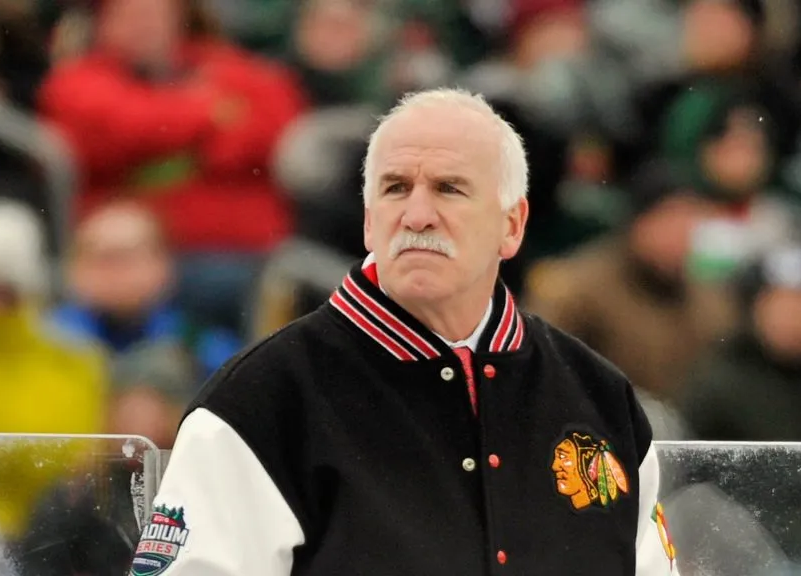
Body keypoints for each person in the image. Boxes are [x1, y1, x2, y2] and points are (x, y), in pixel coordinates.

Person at [131, 88, 679, 575]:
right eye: (396, 188)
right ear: (370, 221)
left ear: (511, 225)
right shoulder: (259, 403)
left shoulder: (600, 399)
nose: (417, 214)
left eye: (449, 189)